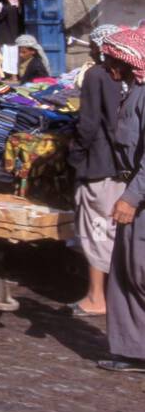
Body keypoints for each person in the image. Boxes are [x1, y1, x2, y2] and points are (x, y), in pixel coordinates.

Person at [69, 24, 126, 318]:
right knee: (117, 232)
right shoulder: (133, 77)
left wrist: (75, 156)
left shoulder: (96, 75)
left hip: (100, 166)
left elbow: (88, 124)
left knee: (97, 231)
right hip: (125, 169)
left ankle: (96, 297)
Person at [100, 28, 145, 372]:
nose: (108, 67)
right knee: (126, 272)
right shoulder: (134, 93)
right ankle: (134, 351)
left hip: (140, 196)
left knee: (140, 271)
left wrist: (131, 198)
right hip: (134, 190)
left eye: (112, 60)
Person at [0, 0, 22, 75]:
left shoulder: (6, 8)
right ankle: (14, 75)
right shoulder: (18, 7)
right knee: (14, 56)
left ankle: (10, 75)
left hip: (7, 37)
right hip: (15, 36)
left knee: (7, 56)